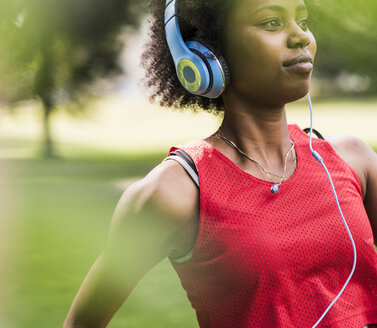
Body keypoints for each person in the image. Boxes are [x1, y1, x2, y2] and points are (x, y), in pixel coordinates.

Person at [63, 0, 377, 327]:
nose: (300, 37)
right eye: (271, 22)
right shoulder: (175, 193)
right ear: (206, 55)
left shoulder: (353, 161)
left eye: (302, 20)